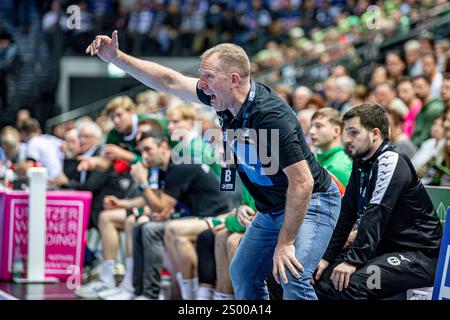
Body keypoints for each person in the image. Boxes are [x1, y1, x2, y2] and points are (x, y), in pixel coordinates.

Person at [85, 31, 341, 300]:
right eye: (202, 76)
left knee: (294, 276)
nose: (202, 84)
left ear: (233, 80)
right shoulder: (222, 100)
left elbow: (302, 182)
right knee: (243, 273)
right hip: (272, 206)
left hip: (312, 201)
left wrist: (286, 242)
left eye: (208, 76)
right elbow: (169, 80)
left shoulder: (270, 115)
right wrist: (117, 58)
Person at [313, 103, 442, 300]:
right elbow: (347, 213)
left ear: (374, 133)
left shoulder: (391, 160)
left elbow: (375, 215)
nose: (347, 139)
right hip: (385, 249)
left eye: (353, 132)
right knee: (318, 277)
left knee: (348, 284)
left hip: (420, 256)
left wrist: (352, 261)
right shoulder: (361, 162)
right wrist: (326, 257)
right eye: (347, 132)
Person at [309, 108, 352, 186]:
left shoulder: (339, 167)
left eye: (318, 126)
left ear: (336, 131)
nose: (311, 131)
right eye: (311, 126)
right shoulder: (319, 159)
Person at [411, 75, 445, 147]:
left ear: (429, 86)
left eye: (420, 87)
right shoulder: (421, 109)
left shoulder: (434, 108)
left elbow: (426, 136)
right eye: (414, 87)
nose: (416, 90)